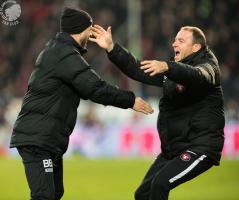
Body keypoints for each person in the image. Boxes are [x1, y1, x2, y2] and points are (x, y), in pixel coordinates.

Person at [9, 8, 154, 200]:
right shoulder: (65, 55)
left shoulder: (59, 51)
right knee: (44, 195)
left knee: (54, 193)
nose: (91, 34)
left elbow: (88, 88)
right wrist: (130, 100)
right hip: (38, 138)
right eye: (89, 28)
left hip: (47, 138)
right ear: (80, 30)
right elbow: (95, 88)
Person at [90, 25, 225, 200]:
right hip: (174, 148)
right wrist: (112, 48)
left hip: (200, 147)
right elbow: (138, 69)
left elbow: (198, 76)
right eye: (175, 39)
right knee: (143, 194)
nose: (174, 43)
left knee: (160, 184)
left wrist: (168, 67)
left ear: (196, 47)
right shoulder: (175, 68)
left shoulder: (208, 67)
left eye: (181, 40)